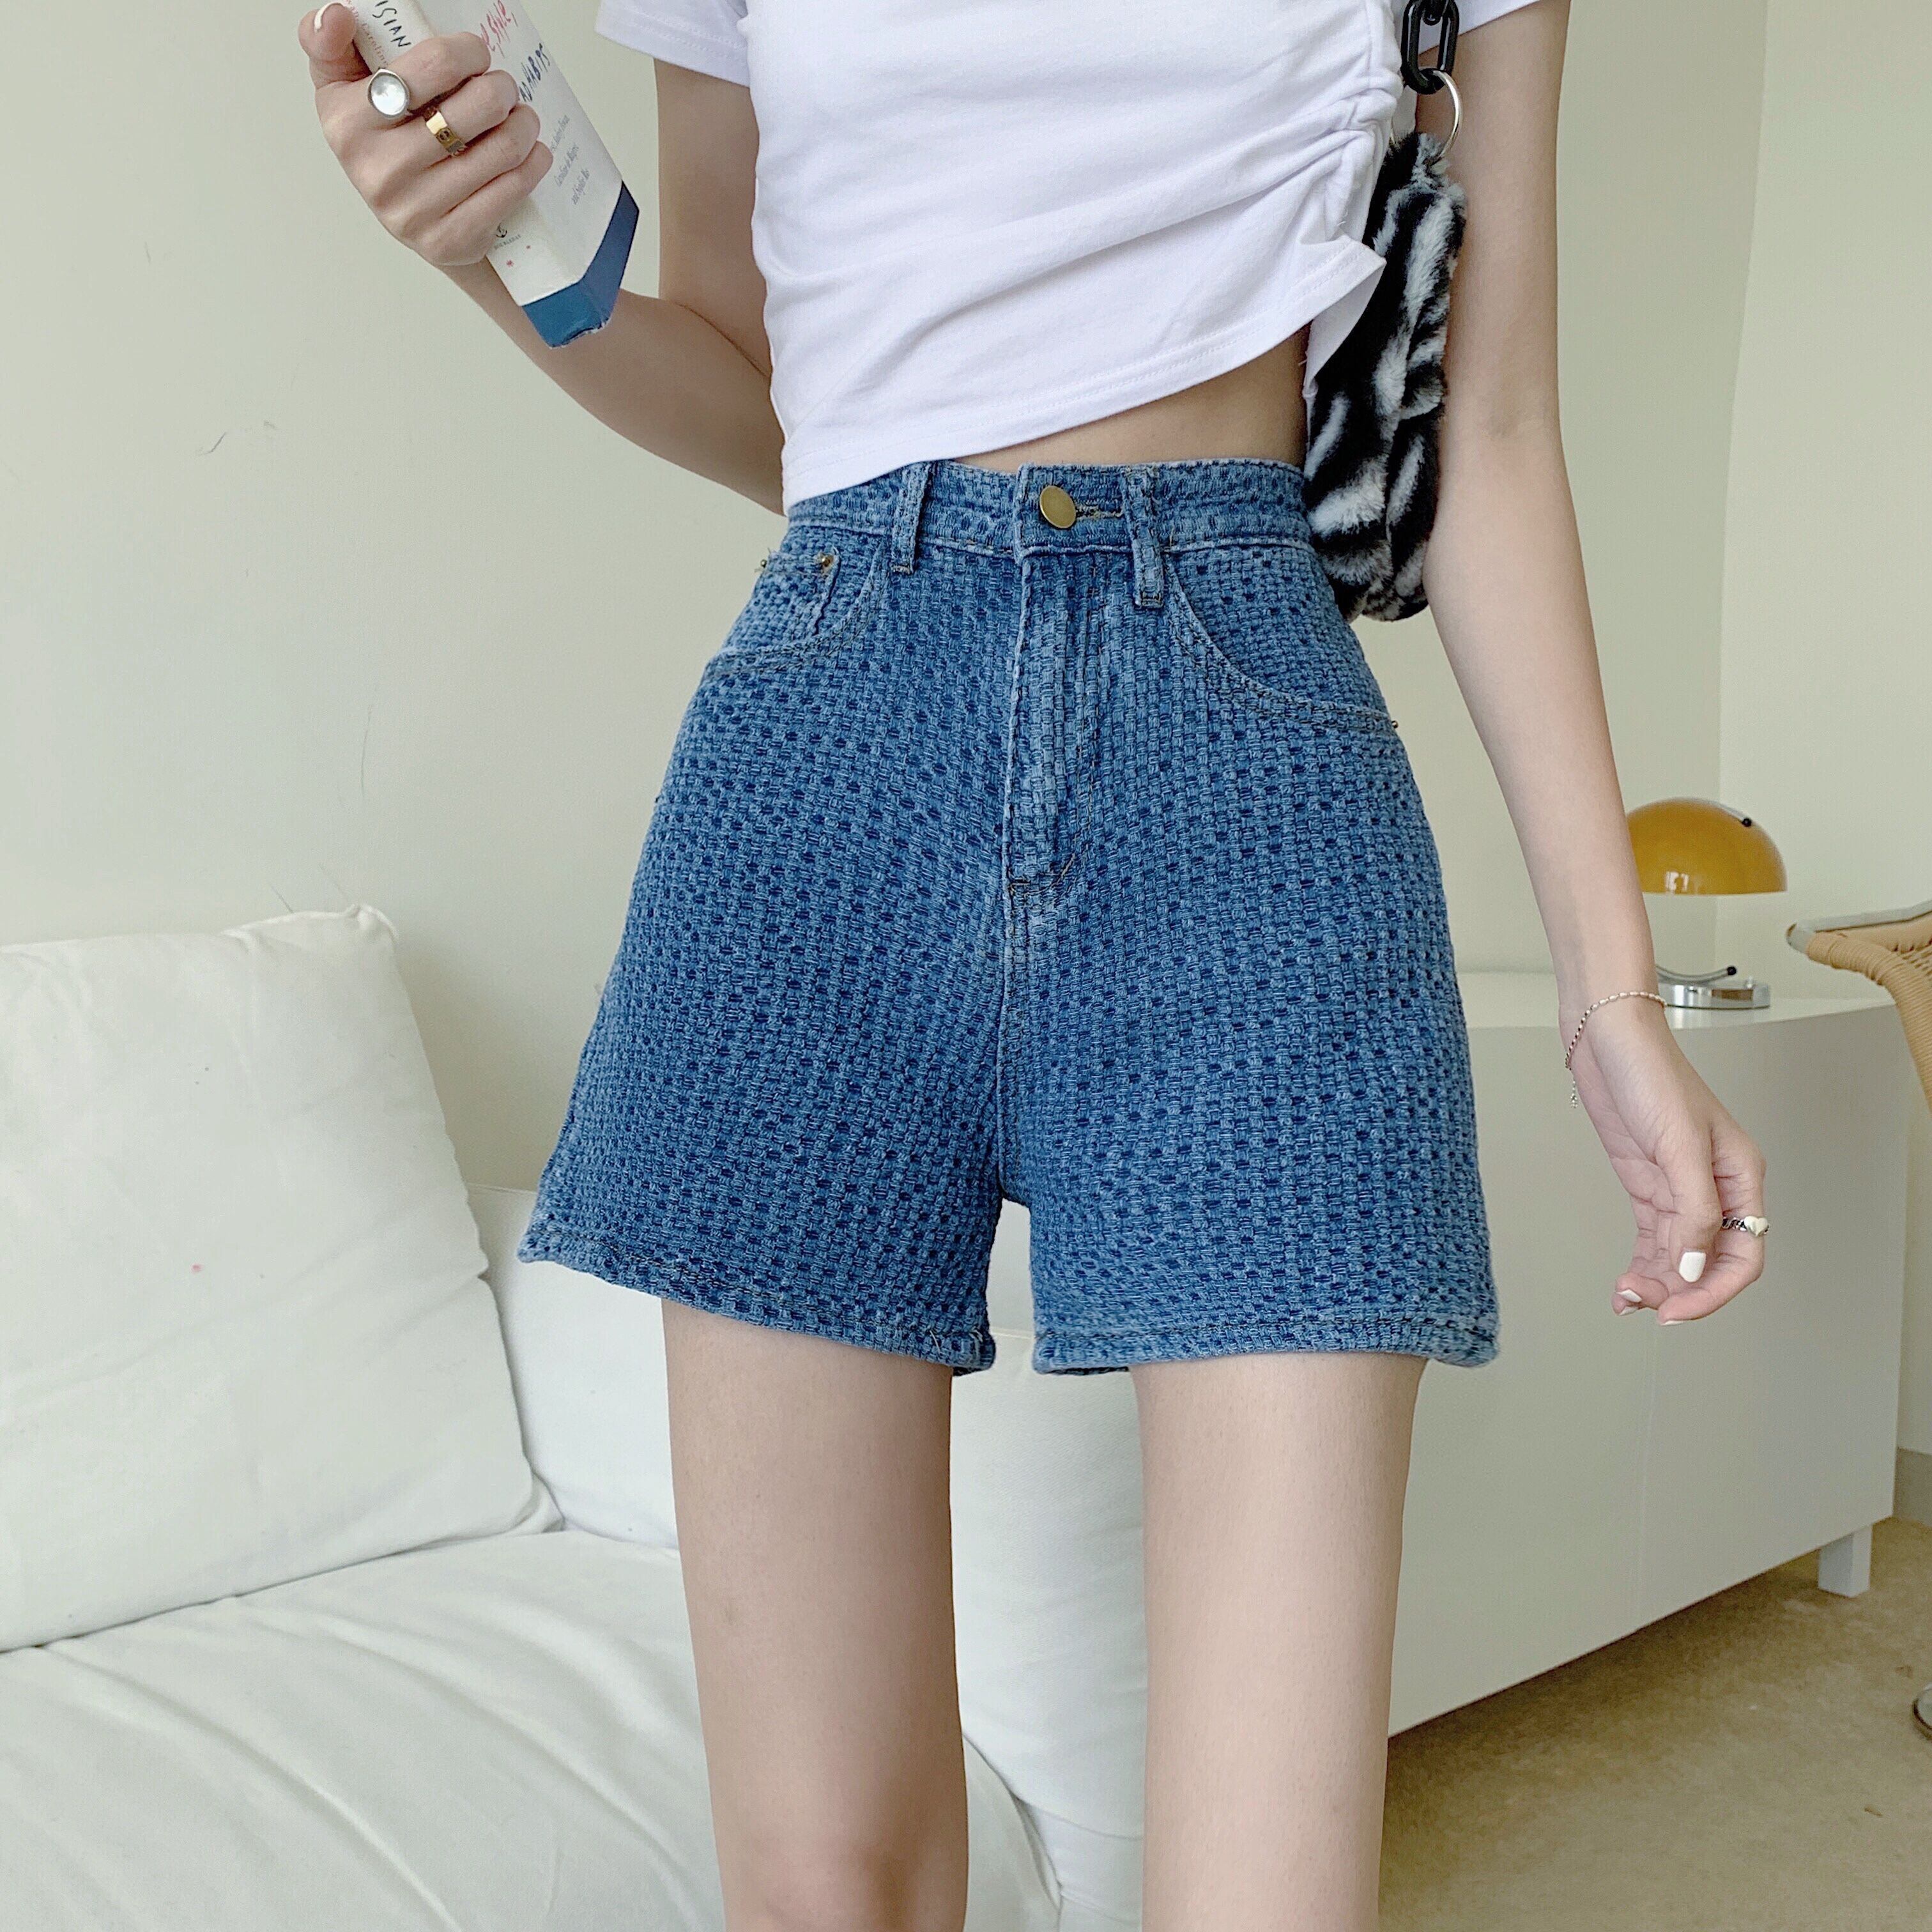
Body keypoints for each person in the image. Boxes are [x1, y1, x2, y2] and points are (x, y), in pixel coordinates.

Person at [300, 4, 1769, 1927]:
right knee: (828, 1884)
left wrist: (1614, 995)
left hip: (1251, 790)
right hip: (826, 778)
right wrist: (491, 258)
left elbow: (1489, 433)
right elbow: (762, 397)